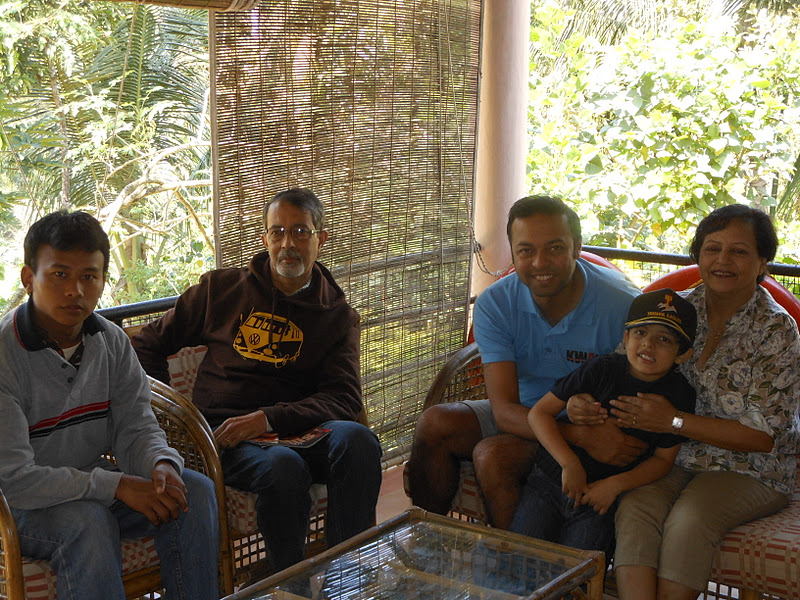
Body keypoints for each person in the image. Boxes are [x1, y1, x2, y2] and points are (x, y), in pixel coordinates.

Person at [132, 187, 383, 573]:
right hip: (227, 433)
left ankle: (345, 575)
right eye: (277, 232)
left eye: (300, 232)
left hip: (300, 430)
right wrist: (178, 420)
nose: (288, 244)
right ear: (265, 239)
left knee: (360, 441)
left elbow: (344, 398)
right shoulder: (220, 291)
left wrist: (267, 418)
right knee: (283, 466)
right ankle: (290, 583)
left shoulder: (336, 315)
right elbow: (146, 344)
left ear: (321, 239)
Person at [570, 204, 800, 600]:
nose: (723, 260)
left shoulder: (776, 329)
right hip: (672, 457)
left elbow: (764, 438)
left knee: (689, 520)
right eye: (712, 248)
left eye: (739, 251)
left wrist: (673, 421)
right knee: (636, 508)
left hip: (751, 470)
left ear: (763, 262)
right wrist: (582, 403)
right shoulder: (675, 308)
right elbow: (620, 369)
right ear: (698, 255)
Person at [0, 211, 219, 600]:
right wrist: (116, 485)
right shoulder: (4, 355)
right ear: (28, 278)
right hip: (14, 505)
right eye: (59, 274)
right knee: (89, 521)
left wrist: (160, 466)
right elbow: (17, 481)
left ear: (103, 281)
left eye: (89, 277)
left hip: (86, 483)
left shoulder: (111, 342)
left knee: (193, 492)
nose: (75, 291)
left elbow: (136, 427)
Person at [406, 194, 644, 529]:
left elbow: (641, 392)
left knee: (493, 456)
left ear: (577, 247)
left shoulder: (623, 304)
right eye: (526, 250)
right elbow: (504, 410)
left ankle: (516, 556)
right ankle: (426, 536)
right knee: (435, 423)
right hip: (531, 416)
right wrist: (576, 436)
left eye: (555, 248)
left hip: (597, 422)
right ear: (513, 253)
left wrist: (589, 434)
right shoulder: (496, 303)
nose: (540, 263)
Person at [509, 288, 697, 556]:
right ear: (626, 337)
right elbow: (539, 414)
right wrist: (569, 463)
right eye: (640, 332)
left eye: (664, 339)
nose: (648, 344)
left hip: (602, 501)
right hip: (550, 481)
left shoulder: (680, 394)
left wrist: (615, 486)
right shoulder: (601, 368)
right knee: (520, 557)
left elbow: (663, 460)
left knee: (581, 569)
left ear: (683, 354)